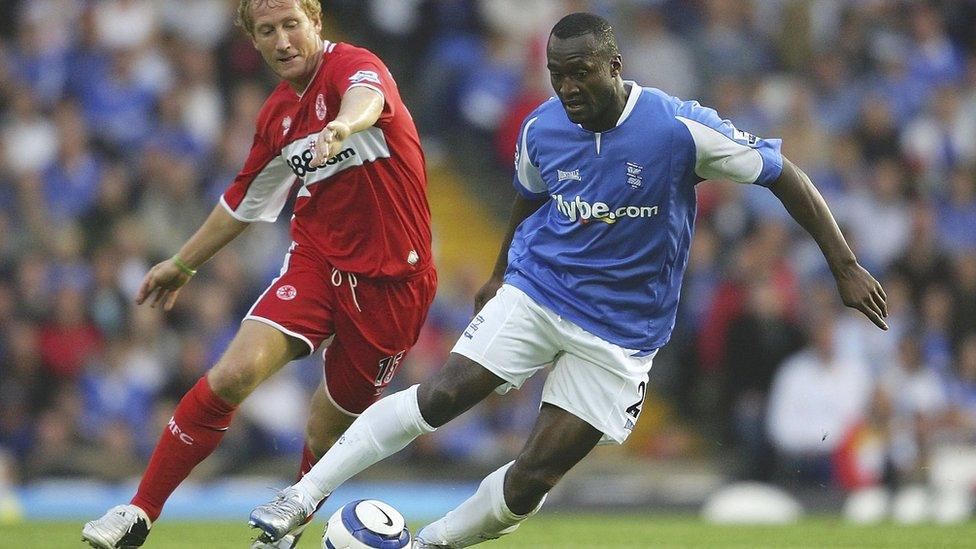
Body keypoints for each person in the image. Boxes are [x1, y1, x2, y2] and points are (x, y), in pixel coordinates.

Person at [248, 12, 888, 548]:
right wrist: (500, 273)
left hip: (622, 335)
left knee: (532, 480)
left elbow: (785, 175)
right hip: (539, 289)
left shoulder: (677, 129)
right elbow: (527, 198)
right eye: (557, 75)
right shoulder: (543, 126)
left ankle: (427, 545)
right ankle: (299, 498)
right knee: (443, 394)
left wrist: (846, 265)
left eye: (580, 73)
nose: (567, 87)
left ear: (614, 66)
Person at [82, 1, 436, 548]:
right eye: (266, 31)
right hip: (318, 262)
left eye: (291, 25)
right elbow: (244, 201)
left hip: (393, 284)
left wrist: (343, 124)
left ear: (315, 23)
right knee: (233, 373)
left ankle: (287, 526)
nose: (282, 40)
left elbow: (369, 99)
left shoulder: (353, 68)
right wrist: (183, 263)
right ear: (253, 41)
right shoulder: (277, 117)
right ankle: (139, 511)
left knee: (326, 427)